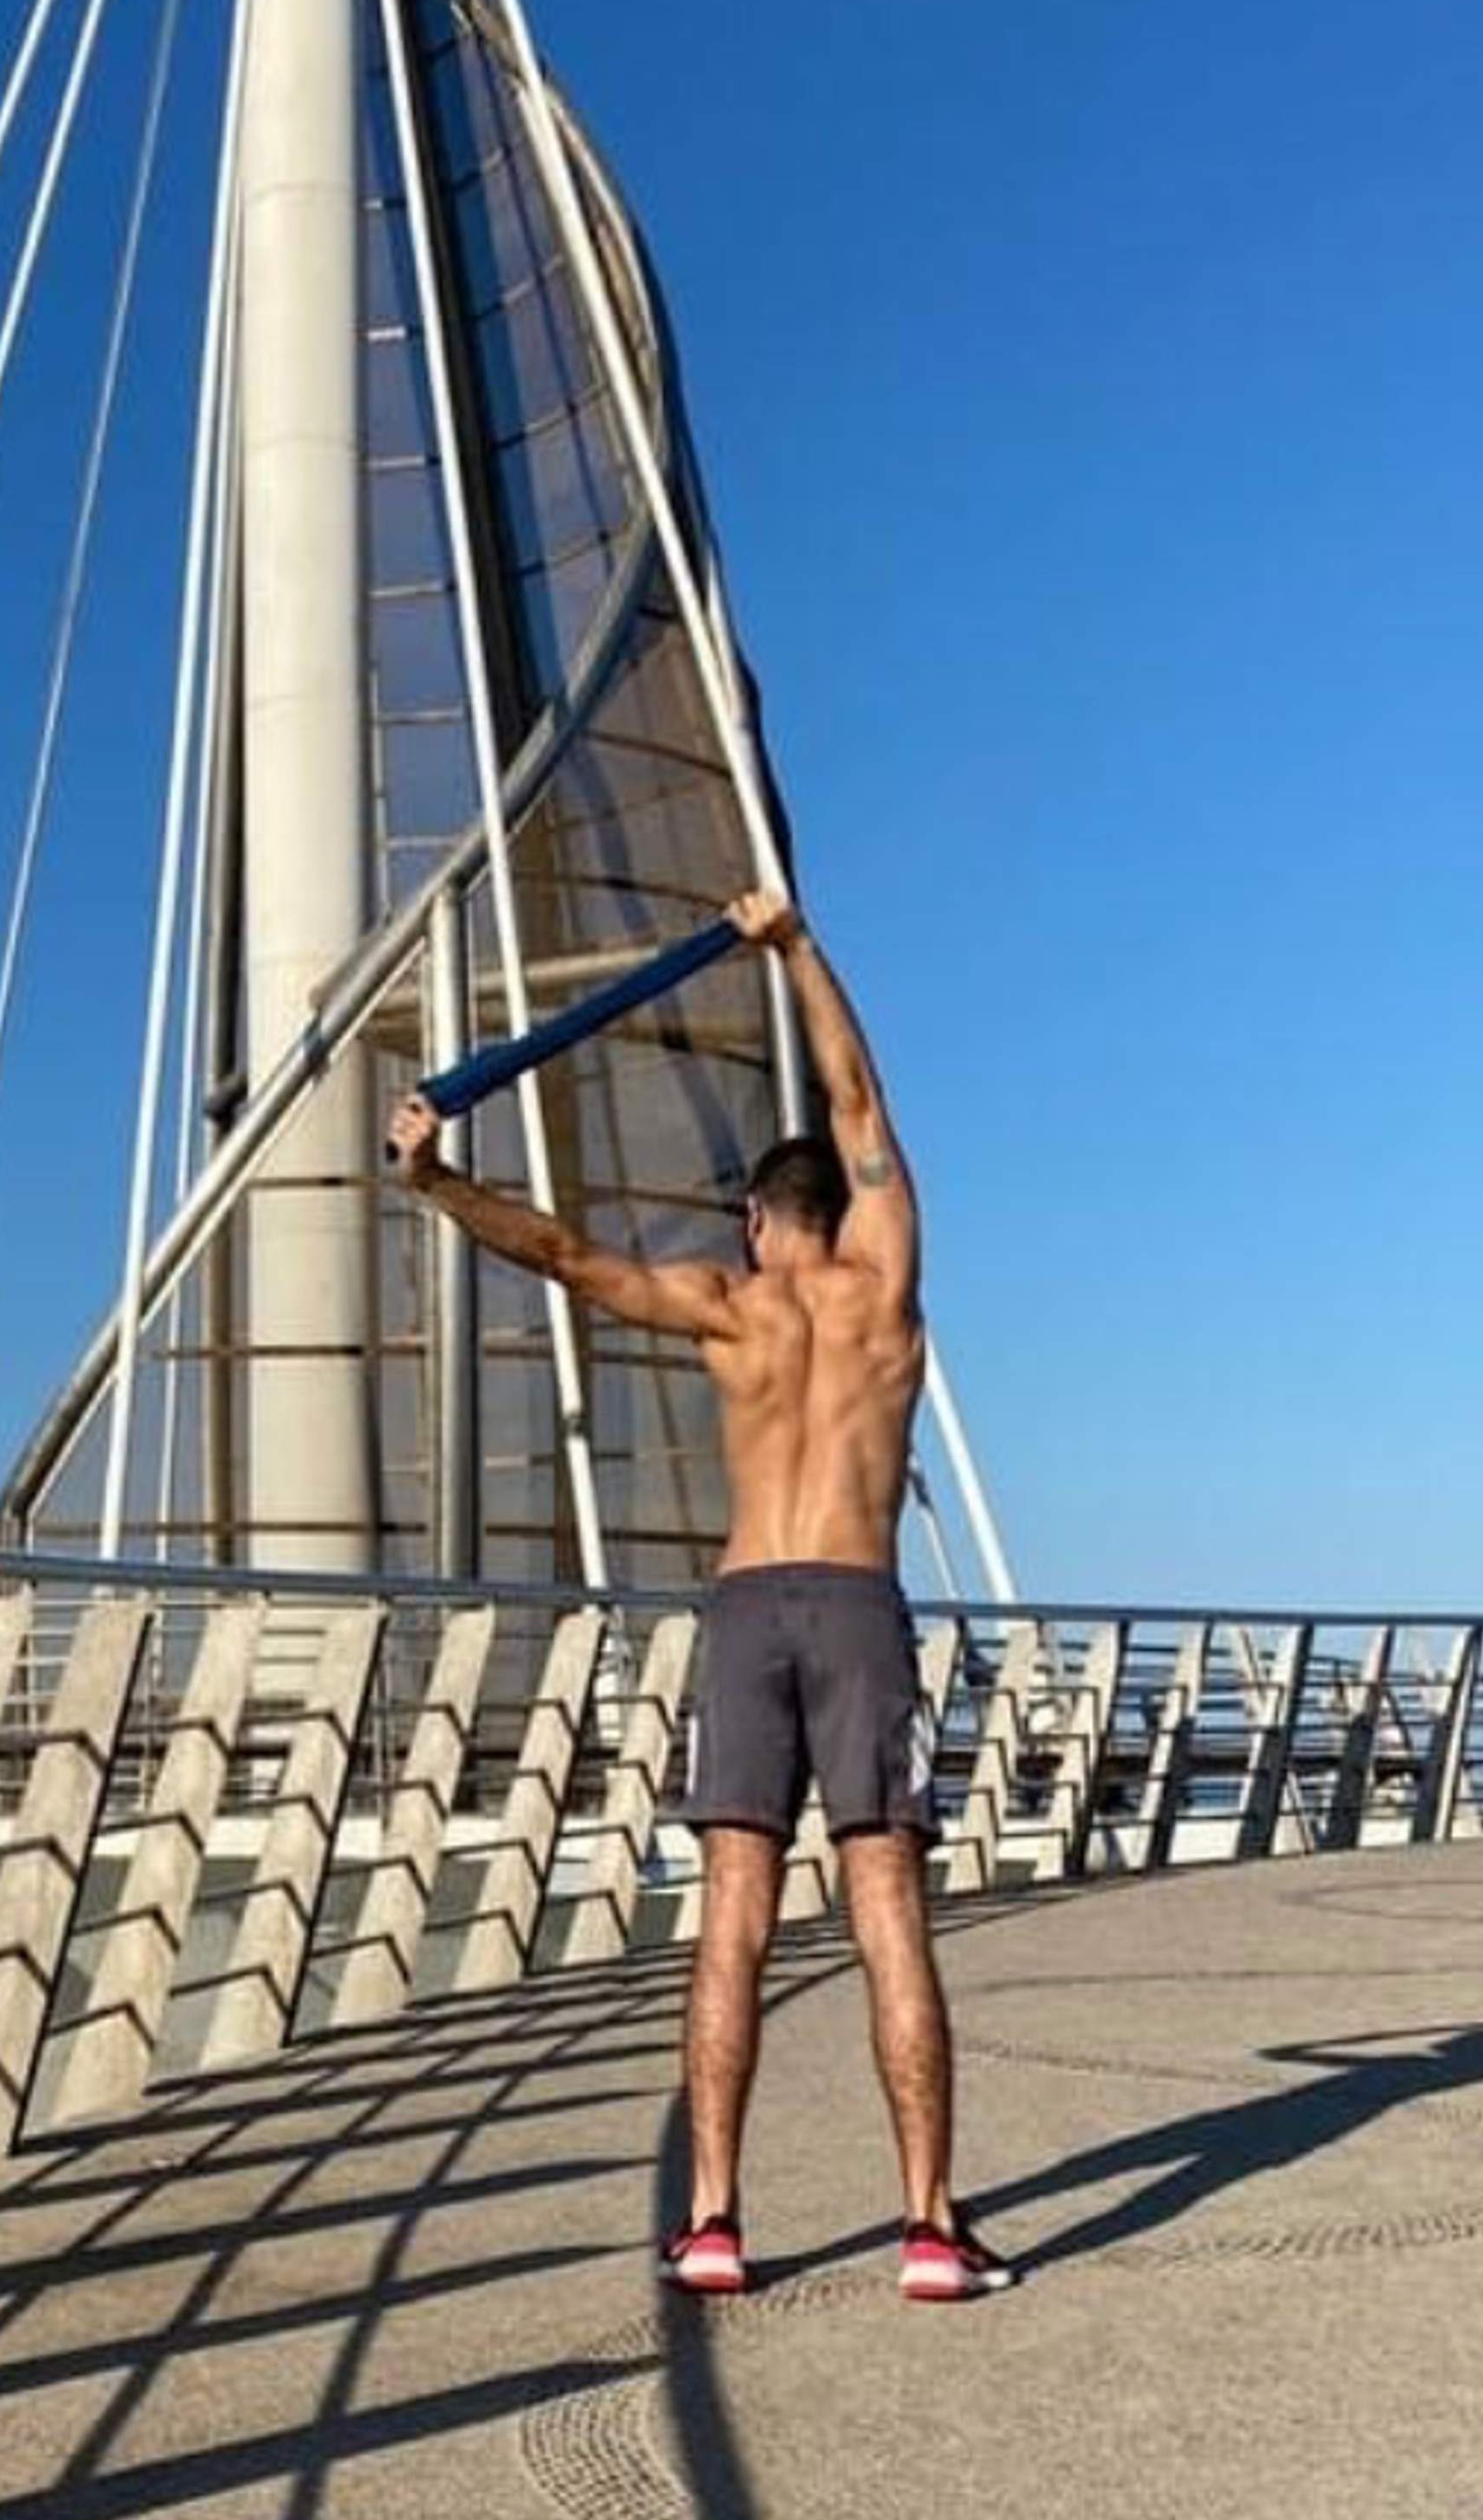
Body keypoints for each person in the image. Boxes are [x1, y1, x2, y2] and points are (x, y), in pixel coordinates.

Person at [385, 881, 1015, 2305]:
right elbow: (859, 1097)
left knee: (733, 1904)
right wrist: (793, 946)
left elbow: (562, 1253)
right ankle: (926, 2227)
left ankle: (717, 2218)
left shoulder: (724, 1305)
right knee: (885, 1911)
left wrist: (433, 1180)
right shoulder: (884, 1299)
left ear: (749, 1218)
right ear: (839, 1208)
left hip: (745, 1613)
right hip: (856, 1603)